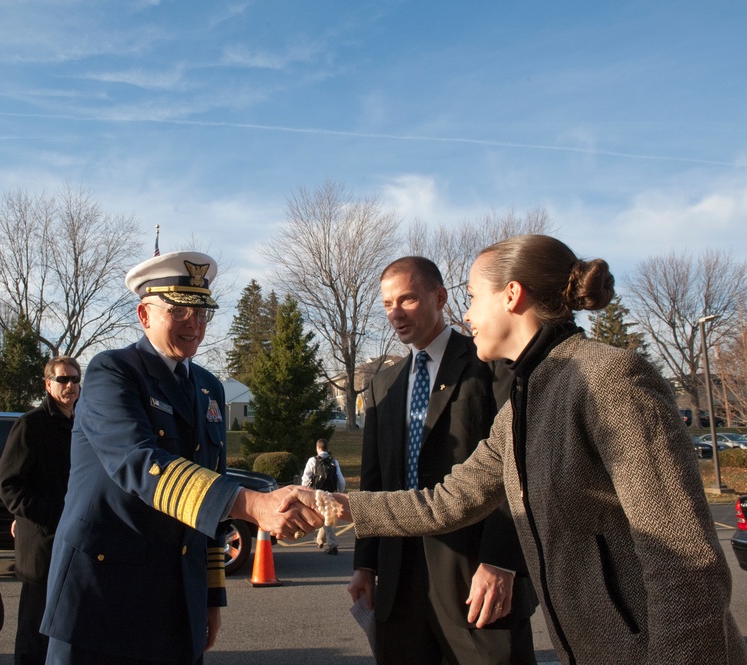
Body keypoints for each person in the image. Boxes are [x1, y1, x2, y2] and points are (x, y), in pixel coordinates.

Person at [288, 235, 747, 664]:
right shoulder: (528, 400)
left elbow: (686, 565)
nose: (467, 314)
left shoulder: (611, 379)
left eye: (470, 297)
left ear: (511, 296)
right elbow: (449, 501)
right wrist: (332, 504)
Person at [41, 250, 323, 665]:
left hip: (178, 599)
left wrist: (210, 596)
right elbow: (140, 463)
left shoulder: (209, 387)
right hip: (102, 597)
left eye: (203, 312)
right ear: (144, 314)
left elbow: (210, 486)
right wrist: (253, 503)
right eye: (179, 311)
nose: (195, 324)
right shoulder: (111, 372)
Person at [351, 256, 536, 665]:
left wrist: (502, 560)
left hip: (475, 576)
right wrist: (365, 564)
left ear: (440, 298)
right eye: (387, 304)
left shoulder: (490, 363)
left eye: (408, 299)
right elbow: (374, 479)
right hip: (399, 582)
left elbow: (516, 465)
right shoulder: (383, 384)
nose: (395, 313)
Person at [0, 356, 81, 665]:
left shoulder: (84, 423)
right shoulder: (31, 424)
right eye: (62, 380)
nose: (70, 385)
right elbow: (8, 483)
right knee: (35, 633)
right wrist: (50, 515)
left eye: (74, 379)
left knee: (70, 629)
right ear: (48, 384)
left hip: (78, 542)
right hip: (43, 545)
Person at [300, 438, 346, 554]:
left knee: (324, 517)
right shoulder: (334, 461)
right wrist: (339, 492)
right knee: (324, 516)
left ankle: (333, 544)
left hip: (317, 494)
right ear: (327, 448)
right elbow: (341, 481)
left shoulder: (312, 461)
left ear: (317, 448)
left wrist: (305, 492)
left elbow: (306, 479)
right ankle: (320, 540)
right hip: (331, 493)